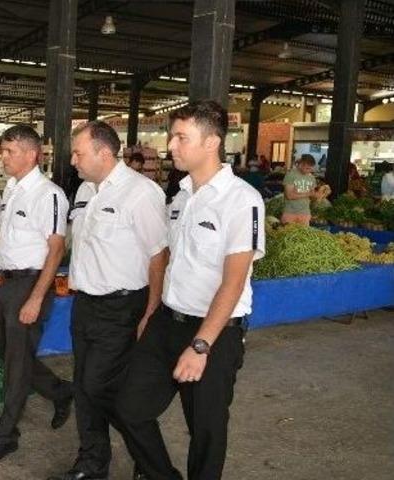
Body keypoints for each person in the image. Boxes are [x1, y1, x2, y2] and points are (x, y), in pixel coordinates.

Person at [116, 100, 265, 480]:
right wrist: (151, 312)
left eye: (182, 137)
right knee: (129, 409)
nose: (171, 146)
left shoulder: (241, 200)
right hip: (166, 322)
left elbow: (234, 281)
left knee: (206, 431)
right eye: (172, 137)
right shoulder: (181, 196)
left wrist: (201, 346)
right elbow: (169, 260)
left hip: (214, 332)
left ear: (212, 142)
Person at [48, 121, 169, 480]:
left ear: (103, 153)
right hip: (84, 303)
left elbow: (158, 256)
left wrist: (151, 312)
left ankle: (151, 463)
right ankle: (92, 463)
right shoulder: (86, 190)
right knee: (84, 386)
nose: (72, 160)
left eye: (78, 153)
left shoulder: (141, 193)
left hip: (122, 306)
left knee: (99, 386)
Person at [0, 125, 73, 463]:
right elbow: (1, 239)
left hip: (31, 284)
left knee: (16, 363)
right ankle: (60, 391)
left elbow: (56, 250)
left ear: (32, 155)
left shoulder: (49, 195)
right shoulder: (12, 189)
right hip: (8, 282)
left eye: (10, 152)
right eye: (3, 151)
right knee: (7, 351)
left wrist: (36, 297)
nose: (3, 158)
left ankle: (5, 435)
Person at [281, 154, 319, 226]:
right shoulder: (291, 175)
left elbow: (312, 195)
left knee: (304, 233)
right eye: (307, 168)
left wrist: (317, 196)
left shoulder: (312, 178)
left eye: (310, 169)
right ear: (301, 164)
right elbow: (289, 195)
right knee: (287, 232)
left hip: (305, 213)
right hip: (290, 212)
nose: (309, 171)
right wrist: (308, 194)